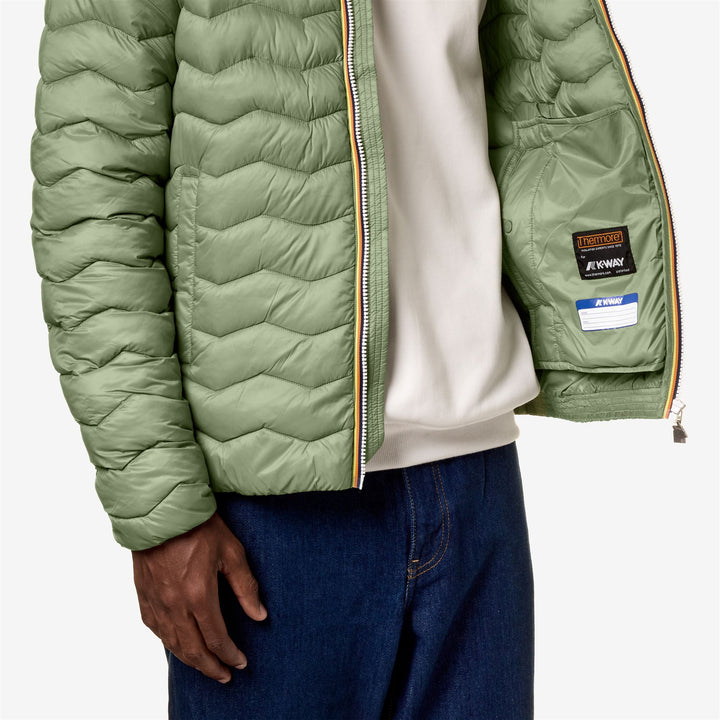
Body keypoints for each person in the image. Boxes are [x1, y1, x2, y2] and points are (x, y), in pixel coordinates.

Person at [29, 0, 684, 717]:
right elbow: (92, 201)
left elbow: (530, 101)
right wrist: (160, 510)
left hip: (477, 470)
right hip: (270, 501)